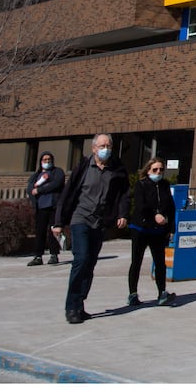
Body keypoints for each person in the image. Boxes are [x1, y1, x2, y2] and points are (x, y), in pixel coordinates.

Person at [52, 134, 130, 324]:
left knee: (90, 263)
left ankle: (80, 303)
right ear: (94, 148)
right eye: (102, 145)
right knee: (81, 258)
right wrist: (58, 222)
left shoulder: (116, 169)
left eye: (109, 145)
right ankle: (71, 305)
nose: (106, 149)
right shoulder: (84, 167)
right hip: (81, 218)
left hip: (100, 221)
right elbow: (68, 193)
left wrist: (122, 214)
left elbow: (124, 194)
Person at [126, 157, 176, 307]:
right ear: (148, 170)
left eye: (161, 169)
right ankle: (132, 294)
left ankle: (162, 293)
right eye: (155, 169)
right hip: (141, 228)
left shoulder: (165, 185)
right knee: (136, 261)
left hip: (158, 231)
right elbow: (141, 206)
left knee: (160, 262)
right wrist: (155, 215)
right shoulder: (141, 185)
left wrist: (170, 228)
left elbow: (171, 208)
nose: (158, 172)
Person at [26, 151, 65, 266]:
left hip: (53, 206)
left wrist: (40, 190)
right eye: (44, 160)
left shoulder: (57, 172)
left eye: (49, 159)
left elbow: (56, 184)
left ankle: (54, 255)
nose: (47, 162)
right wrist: (34, 198)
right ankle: (38, 256)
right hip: (41, 207)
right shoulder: (35, 176)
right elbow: (30, 189)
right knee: (40, 232)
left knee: (53, 231)